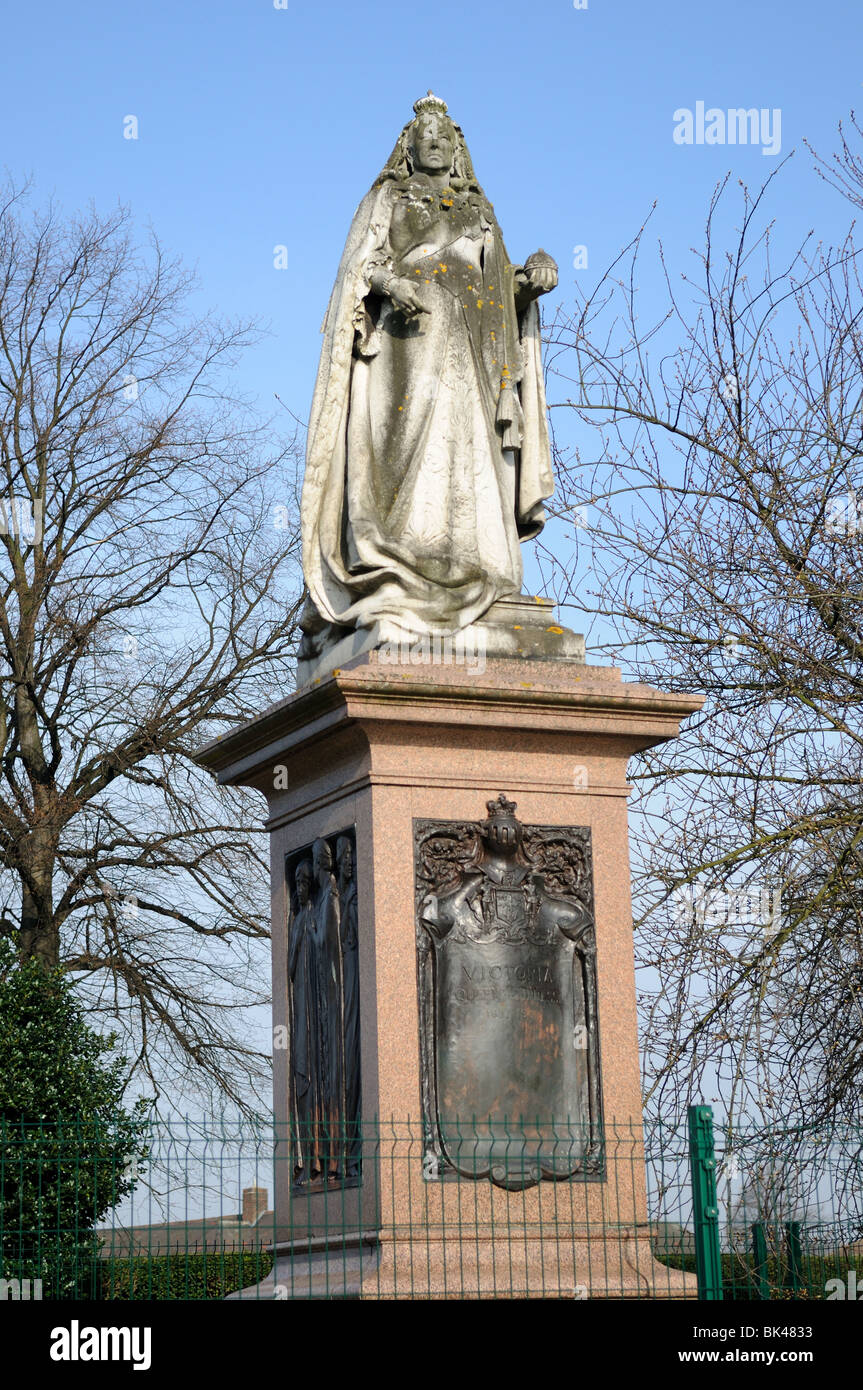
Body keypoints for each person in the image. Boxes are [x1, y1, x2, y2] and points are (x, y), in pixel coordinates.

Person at [300, 93, 558, 667]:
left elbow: (500, 293)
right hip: (404, 349)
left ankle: (474, 563)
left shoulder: (481, 210)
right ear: (409, 147)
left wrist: (530, 279)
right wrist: (393, 285)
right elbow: (356, 270)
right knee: (405, 456)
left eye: (445, 137)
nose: (436, 143)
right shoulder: (387, 198)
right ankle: (402, 566)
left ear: (457, 148)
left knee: (467, 459)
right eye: (426, 136)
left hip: (471, 356)